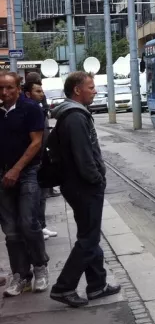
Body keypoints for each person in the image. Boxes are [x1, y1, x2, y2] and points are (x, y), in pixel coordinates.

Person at [49, 72, 121, 307]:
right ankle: (64, 287)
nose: (95, 91)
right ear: (77, 90)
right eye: (91, 87)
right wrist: (97, 179)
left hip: (77, 184)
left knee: (89, 235)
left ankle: (97, 285)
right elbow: (84, 156)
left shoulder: (72, 115)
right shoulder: (75, 117)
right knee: (88, 239)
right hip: (83, 186)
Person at [0, 71, 50, 296]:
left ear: (19, 88)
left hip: (27, 172)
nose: (5, 92)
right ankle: (20, 274)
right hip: (3, 175)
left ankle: (40, 267)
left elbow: (36, 143)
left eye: (9, 87)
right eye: (1, 88)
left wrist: (16, 169)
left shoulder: (30, 108)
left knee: (29, 223)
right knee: (11, 230)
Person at [23, 80, 57, 240]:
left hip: (43, 157)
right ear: (28, 94)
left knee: (42, 195)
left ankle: (42, 226)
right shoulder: (28, 111)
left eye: (41, 91)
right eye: (38, 91)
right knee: (34, 197)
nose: (42, 94)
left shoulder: (39, 109)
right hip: (34, 160)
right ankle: (36, 228)